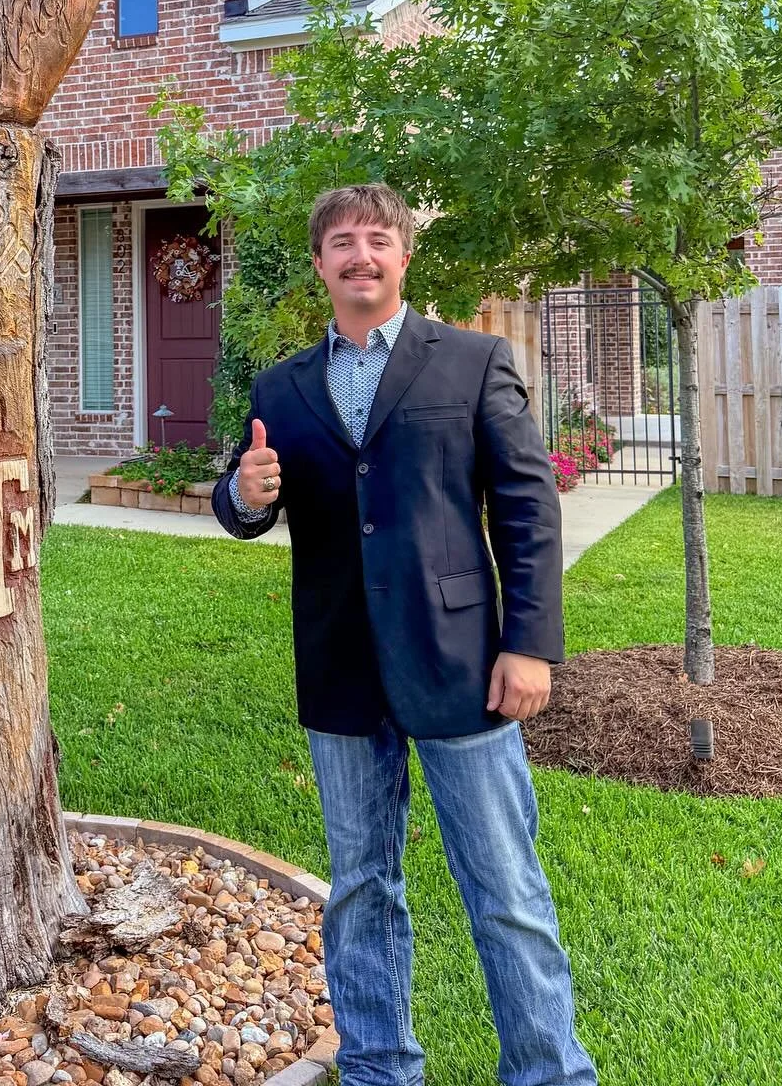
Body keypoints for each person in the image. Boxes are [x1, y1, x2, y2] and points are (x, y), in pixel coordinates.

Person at [212, 184, 597, 1086]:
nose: (360, 256)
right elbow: (247, 501)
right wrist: (244, 493)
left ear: (403, 258)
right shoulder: (282, 386)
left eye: (377, 240)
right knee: (360, 891)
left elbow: (526, 509)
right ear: (320, 264)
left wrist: (531, 643)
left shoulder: (470, 361)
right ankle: (381, 1067)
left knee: (504, 892)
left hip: (461, 663)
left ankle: (548, 1072)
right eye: (341, 242)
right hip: (341, 667)